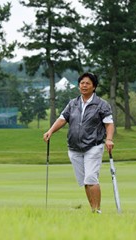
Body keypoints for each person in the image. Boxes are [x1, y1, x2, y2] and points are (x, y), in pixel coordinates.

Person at [43, 72, 115, 214]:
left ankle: (97, 210)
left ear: (94, 87)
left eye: (88, 83)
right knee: (84, 181)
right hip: (74, 148)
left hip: (93, 146)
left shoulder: (101, 104)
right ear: (78, 85)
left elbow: (109, 124)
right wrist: (50, 131)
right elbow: (62, 119)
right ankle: (93, 210)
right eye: (82, 83)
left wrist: (109, 138)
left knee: (91, 178)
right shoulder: (73, 103)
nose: (84, 85)